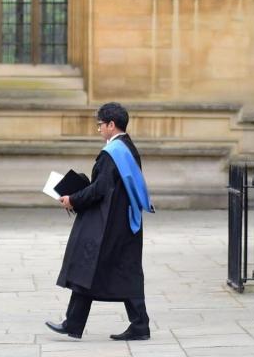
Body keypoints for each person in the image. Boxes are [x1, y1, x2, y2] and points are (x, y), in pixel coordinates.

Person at [46, 102, 153, 341]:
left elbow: (99, 190)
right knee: (125, 272)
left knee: (90, 266)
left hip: (109, 224)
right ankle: (138, 325)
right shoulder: (128, 148)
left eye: (100, 125)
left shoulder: (113, 153)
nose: (99, 129)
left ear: (111, 125)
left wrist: (72, 199)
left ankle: (75, 323)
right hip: (125, 222)